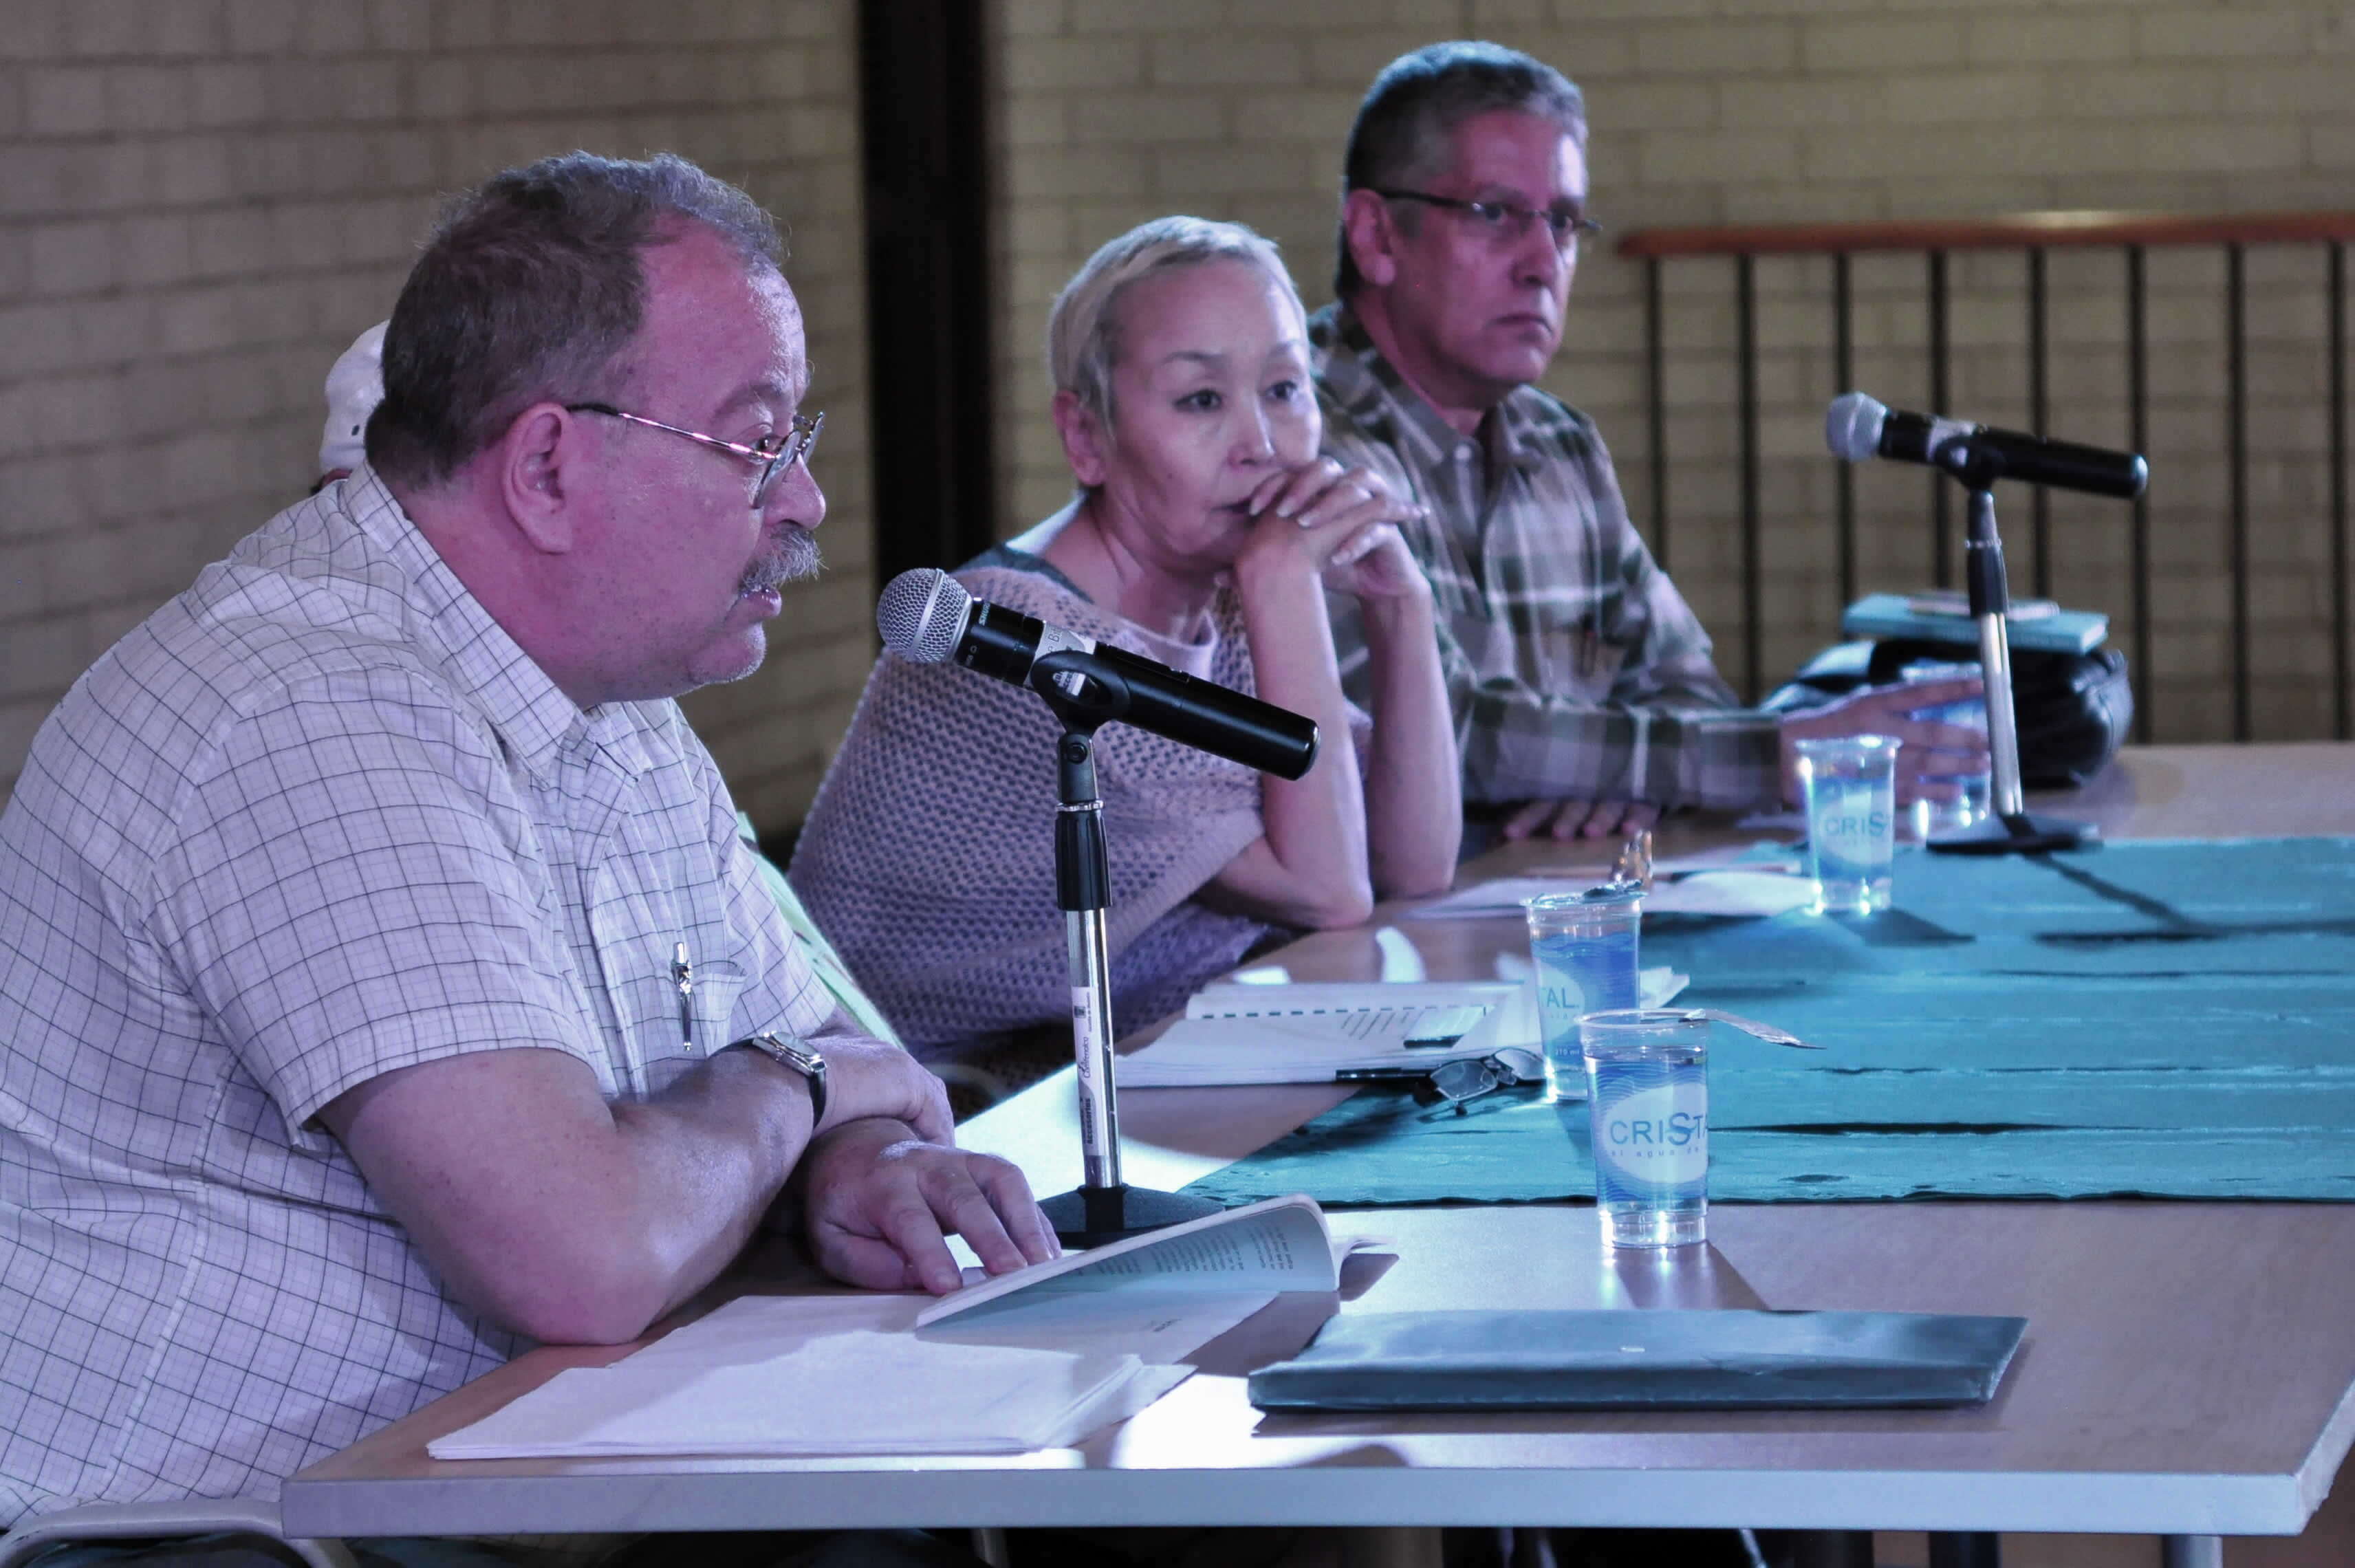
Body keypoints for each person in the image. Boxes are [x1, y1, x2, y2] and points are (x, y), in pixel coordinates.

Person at [0, 152, 1056, 1538]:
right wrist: (793, 1090)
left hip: (511, 1482)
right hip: (217, 1534)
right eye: (758, 444)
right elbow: (589, 1257)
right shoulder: (310, 710)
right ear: (549, 465)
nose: (800, 505)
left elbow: (857, 1080)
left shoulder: (604, 702)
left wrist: (848, 1160)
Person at [790, 217, 1459, 1077]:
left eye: (1286, 389)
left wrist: (1403, 609)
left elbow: (1414, 865)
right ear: (1086, 438)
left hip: (1114, 1073)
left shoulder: (1225, 594)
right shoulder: (1020, 639)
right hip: (931, 1122)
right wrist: (1283, 589)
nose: (1261, 444)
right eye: (1201, 400)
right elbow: (1327, 892)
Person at [1313, 41, 1989, 847]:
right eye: (1494, 214)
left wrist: (1633, 784)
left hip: (1559, 907)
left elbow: (1688, 687)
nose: (1542, 262)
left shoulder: (1560, 445)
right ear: (1377, 235)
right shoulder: (1294, 437)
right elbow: (1432, 732)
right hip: (1353, 950)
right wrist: (1755, 759)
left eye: (1563, 222)